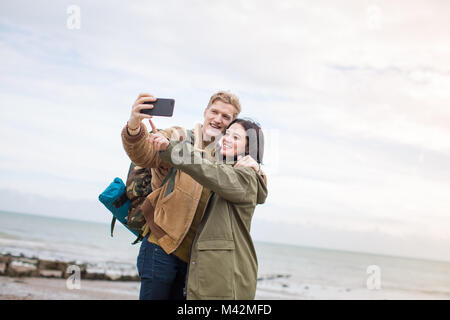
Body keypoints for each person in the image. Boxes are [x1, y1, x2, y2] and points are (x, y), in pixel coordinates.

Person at [121, 91, 261, 300]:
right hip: (161, 247)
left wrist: (257, 167)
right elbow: (142, 154)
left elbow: (247, 190)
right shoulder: (179, 136)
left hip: (195, 262)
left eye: (226, 117)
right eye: (214, 112)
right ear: (205, 112)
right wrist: (134, 126)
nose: (218, 119)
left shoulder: (229, 158)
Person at [149, 117, 267, 299]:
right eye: (227, 134)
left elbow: (206, 169)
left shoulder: (246, 176)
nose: (227, 139)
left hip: (226, 277)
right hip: (214, 274)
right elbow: (209, 166)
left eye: (236, 138)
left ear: (249, 148)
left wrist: (170, 148)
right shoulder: (227, 168)